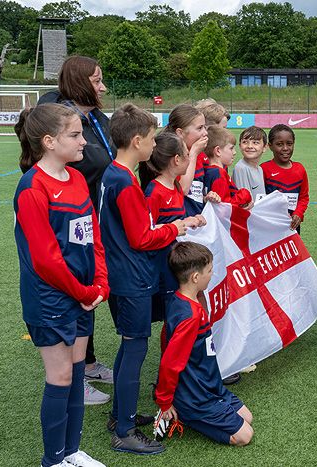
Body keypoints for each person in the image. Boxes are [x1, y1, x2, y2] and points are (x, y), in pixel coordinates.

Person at [13, 103, 108, 467]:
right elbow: (46, 259)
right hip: (51, 298)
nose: (84, 141)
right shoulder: (32, 187)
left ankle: (72, 452)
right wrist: (85, 293)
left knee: (77, 372)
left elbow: (93, 235)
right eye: (75, 135)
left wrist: (100, 282)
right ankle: (53, 460)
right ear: (49, 141)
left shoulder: (78, 178)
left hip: (84, 295)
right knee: (62, 375)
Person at [99, 103, 183, 454]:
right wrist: (175, 227)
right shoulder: (126, 183)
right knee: (135, 349)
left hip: (121, 275)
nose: (154, 146)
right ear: (137, 141)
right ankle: (125, 431)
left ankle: (122, 414)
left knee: (128, 347)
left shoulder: (112, 174)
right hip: (131, 279)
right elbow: (142, 238)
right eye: (150, 138)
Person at [38, 55, 115, 405]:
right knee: (69, 293)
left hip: (90, 216)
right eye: (96, 80)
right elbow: (97, 160)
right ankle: (71, 377)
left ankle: (87, 363)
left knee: (89, 290)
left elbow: (108, 157)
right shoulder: (54, 110)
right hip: (62, 219)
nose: (102, 87)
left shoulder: (97, 117)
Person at [154, 242, 254, 446]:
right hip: (195, 394)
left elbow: (165, 339)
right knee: (244, 436)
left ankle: (192, 410)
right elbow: (170, 363)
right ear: (195, 277)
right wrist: (165, 402)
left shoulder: (181, 301)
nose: (212, 274)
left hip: (210, 384)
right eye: (209, 270)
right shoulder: (189, 316)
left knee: (247, 418)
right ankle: (184, 415)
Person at [142, 131, 206, 346]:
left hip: (178, 260)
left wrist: (191, 219)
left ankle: (187, 354)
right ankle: (170, 360)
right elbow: (147, 230)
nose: (191, 159)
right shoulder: (154, 191)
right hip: (163, 264)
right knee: (172, 315)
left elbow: (177, 221)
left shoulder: (176, 185)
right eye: (188, 154)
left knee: (185, 308)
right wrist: (179, 225)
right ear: (177, 160)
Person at [149, 105, 208, 216]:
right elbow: (183, 189)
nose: (205, 133)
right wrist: (193, 153)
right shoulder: (169, 155)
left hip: (195, 222)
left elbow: (197, 191)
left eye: (205, 127)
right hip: (178, 224)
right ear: (180, 133)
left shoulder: (199, 154)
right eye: (199, 128)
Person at [262, 124, 309, 231]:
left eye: (289, 144)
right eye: (279, 144)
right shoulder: (264, 169)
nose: (285, 148)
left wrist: (298, 213)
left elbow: (304, 197)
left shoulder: (300, 169)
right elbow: (260, 199)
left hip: (292, 225)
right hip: (269, 225)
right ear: (270, 146)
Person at [203, 125, 253, 208]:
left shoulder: (209, 170)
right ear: (218, 151)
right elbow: (223, 207)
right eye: (231, 148)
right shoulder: (218, 173)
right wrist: (244, 195)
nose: (234, 152)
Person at [232, 126, 268, 200]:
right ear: (240, 146)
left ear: (264, 147)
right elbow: (244, 202)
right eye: (245, 142)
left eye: (255, 143)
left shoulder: (259, 169)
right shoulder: (241, 168)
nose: (250, 146)